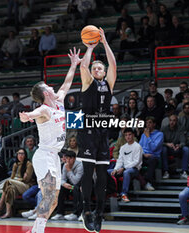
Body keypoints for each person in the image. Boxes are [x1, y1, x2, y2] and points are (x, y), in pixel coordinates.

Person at [19, 47, 81, 233]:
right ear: (45, 93)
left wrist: (73, 64)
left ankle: (35, 229)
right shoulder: (44, 110)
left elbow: (66, 83)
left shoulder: (59, 102)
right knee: (48, 196)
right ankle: (38, 231)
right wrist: (27, 116)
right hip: (44, 155)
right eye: (48, 87)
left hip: (54, 155)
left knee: (53, 198)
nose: (52, 87)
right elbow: (34, 113)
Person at [76, 27, 116, 233]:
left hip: (102, 132)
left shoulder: (108, 84)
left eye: (100, 68)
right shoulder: (88, 82)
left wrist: (106, 43)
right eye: (95, 68)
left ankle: (99, 212)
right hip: (87, 132)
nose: (97, 70)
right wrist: (90, 49)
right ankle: (86, 210)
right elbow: (83, 66)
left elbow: (114, 66)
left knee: (102, 174)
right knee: (88, 172)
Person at [0, 148, 35, 218]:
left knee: (8, 181)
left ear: (25, 155)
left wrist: (18, 179)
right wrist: (19, 179)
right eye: (19, 153)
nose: (20, 155)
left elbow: (27, 180)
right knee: (10, 188)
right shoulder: (15, 164)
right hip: (16, 184)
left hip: (26, 186)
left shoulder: (29, 164)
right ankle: (8, 212)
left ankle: (0, 204)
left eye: (22, 154)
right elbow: (12, 177)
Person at [108, 128, 143, 202]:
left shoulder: (138, 147)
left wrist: (124, 168)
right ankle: (114, 193)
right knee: (108, 172)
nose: (128, 137)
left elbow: (136, 162)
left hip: (134, 169)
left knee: (126, 172)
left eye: (129, 135)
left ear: (133, 135)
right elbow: (120, 161)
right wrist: (115, 169)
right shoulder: (123, 147)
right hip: (123, 168)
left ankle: (124, 194)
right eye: (126, 135)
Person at [51, 150, 83, 221]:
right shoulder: (65, 165)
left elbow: (76, 181)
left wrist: (69, 170)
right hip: (70, 186)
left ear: (74, 158)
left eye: (70, 158)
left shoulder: (80, 166)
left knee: (75, 188)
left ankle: (76, 213)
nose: (68, 160)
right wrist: (64, 184)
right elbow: (62, 179)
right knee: (60, 188)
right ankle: (60, 213)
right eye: (67, 158)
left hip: (79, 186)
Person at [161, 115, 189, 179]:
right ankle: (166, 171)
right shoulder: (164, 129)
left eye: (174, 120)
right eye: (170, 120)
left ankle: (184, 171)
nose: (172, 122)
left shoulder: (180, 128)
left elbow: (183, 141)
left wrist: (180, 145)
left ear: (177, 121)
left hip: (177, 148)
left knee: (186, 149)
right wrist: (167, 144)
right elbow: (160, 142)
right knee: (163, 149)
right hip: (168, 148)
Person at [139, 116, 164, 191]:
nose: (148, 125)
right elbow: (139, 147)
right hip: (144, 155)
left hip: (154, 156)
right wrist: (143, 154)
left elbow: (154, 148)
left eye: (150, 122)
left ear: (154, 124)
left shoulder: (160, 134)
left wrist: (148, 137)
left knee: (152, 159)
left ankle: (148, 182)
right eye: (147, 123)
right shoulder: (144, 134)